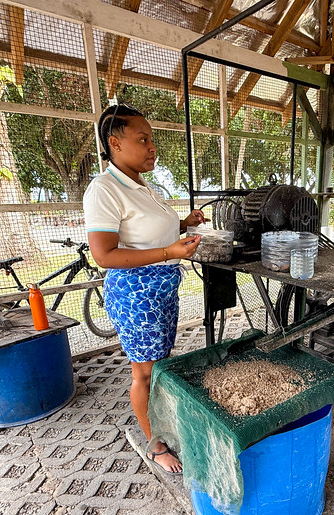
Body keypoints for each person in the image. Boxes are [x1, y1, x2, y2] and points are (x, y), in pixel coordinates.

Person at [83, 103, 206, 473]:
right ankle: (155, 444)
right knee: (145, 373)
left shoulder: (140, 184)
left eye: (152, 140)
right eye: (143, 140)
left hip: (161, 289)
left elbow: (144, 234)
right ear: (115, 143)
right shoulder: (104, 189)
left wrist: (183, 223)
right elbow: (104, 254)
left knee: (161, 365)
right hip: (137, 295)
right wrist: (169, 250)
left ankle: (163, 423)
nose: (152, 147)